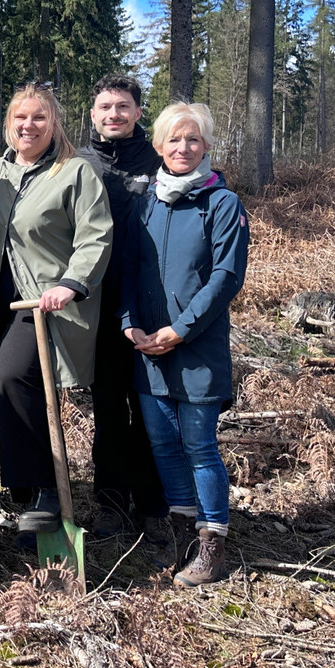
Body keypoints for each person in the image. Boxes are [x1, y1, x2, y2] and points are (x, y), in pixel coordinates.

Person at [120, 101, 249, 587]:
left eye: (193, 139)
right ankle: (181, 537)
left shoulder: (222, 204)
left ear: (207, 145)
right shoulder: (146, 204)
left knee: (198, 446)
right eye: (174, 139)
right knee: (164, 446)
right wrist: (130, 324)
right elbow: (130, 270)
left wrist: (182, 329)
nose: (183, 147)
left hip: (197, 349)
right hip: (149, 349)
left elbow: (226, 277)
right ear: (158, 145)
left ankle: (212, 547)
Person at [0, 83, 112, 536]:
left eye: (39, 117)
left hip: (45, 304)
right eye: (20, 117)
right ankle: (24, 493)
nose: (28, 125)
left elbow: (95, 234)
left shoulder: (73, 173)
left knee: (12, 375)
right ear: (8, 123)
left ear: (54, 123)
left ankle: (46, 489)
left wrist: (71, 283)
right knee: (4, 387)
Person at [77, 74, 172, 553]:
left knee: (152, 408)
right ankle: (110, 502)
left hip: (152, 308)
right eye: (105, 107)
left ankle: (154, 504)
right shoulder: (77, 164)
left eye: (123, 106)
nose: (113, 114)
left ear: (138, 111)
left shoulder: (160, 164)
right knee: (110, 409)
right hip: (98, 309)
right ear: (93, 113)